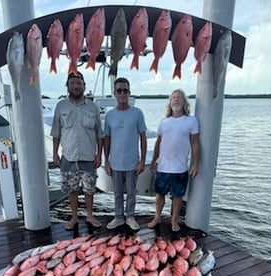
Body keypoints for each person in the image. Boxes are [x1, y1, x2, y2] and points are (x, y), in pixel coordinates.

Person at [50, 71, 103, 231]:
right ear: (68, 86)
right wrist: (55, 153)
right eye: (72, 83)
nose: (76, 86)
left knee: (89, 189)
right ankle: (73, 217)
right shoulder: (61, 106)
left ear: (84, 86)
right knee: (71, 189)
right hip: (69, 156)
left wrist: (99, 154)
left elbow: (99, 134)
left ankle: (89, 215)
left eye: (79, 83)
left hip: (88, 156)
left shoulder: (93, 107)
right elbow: (56, 132)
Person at [147, 89, 199, 232]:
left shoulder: (191, 121)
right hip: (163, 166)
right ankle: (157, 217)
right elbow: (158, 143)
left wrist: (195, 163)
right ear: (170, 102)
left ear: (184, 102)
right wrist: (153, 161)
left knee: (177, 197)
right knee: (159, 195)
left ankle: (174, 220)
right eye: (173, 98)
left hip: (180, 168)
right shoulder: (164, 122)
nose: (176, 100)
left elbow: (195, 143)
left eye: (179, 98)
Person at [104, 77, 147, 231]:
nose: (122, 93)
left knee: (131, 192)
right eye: (119, 90)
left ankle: (130, 216)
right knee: (117, 193)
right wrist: (106, 161)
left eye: (125, 90)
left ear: (129, 93)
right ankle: (118, 217)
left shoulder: (137, 113)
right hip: (115, 162)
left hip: (131, 162)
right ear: (114, 93)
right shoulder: (109, 116)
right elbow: (106, 139)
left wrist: (142, 160)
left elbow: (143, 137)